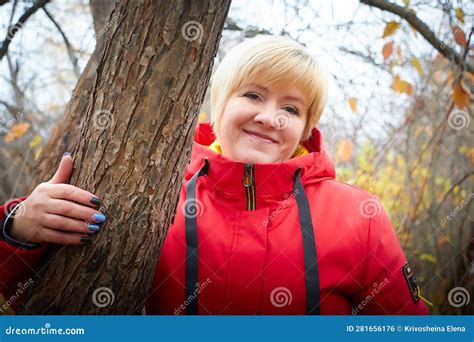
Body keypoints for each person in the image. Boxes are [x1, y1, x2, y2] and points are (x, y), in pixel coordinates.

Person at [0, 35, 429, 315]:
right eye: (253, 95)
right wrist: (19, 229)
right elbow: (35, 305)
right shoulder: (145, 188)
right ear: (219, 105)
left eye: (291, 109)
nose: (269, 117)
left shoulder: (359, 214)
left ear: (306, 128)